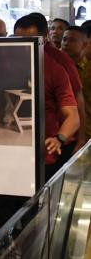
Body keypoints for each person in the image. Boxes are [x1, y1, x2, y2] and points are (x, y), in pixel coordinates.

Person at [14, 15, 80, 179]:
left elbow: (73, 113)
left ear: (44, 38)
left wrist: (60, 138)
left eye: (29, 40)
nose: (24, 46)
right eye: (18, 40)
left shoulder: (55, 67)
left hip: (44, 152)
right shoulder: (8, 60)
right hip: (12, 150)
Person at [27, 13, 86, 158]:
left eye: (32, 39)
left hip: (56, 140)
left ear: (44, 35)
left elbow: (78, 100)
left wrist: (81, 139)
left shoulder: (59, 60)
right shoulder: (17, 55)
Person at [62, 26, 91, 142]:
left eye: (72, 40)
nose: (66, 43)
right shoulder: (56, 69)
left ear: (84, 44)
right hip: (64, 133)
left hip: (87, 134)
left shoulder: (89, 70)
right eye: (64, 39)